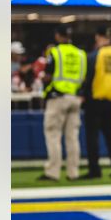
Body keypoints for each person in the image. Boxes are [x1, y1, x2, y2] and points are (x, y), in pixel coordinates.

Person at [39, 26, 86, 181]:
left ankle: (53, 172)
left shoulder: (55, 52)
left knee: (53, 135)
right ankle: (73, 173)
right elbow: (84, 77)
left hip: (57, 97)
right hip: (75, 97)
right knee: (72, 137)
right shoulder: (80, 54)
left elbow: (48, 75)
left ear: (58, 36)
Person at [81, 27, 111, 179]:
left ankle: (95, 170)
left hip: (95, 99)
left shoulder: (95, 55)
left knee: (92, 137)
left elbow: (88, 78)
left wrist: (83, 95)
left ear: (97, 37)